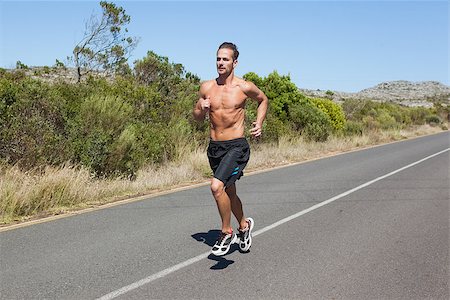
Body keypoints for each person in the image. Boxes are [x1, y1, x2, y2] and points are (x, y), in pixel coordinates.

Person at [193, 42, 268, 256]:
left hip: (237, 147)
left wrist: (259, 122)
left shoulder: (244, 87)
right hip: (214, 148)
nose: (220, 62)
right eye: (218, 58)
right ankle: (244, 226)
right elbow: (198, 119)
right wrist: (200, 108)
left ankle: (226, 232)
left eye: (225, 59)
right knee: (229, 191)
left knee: (217, 187)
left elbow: (263, 100)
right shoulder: (206, 87)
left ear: (235, 62)